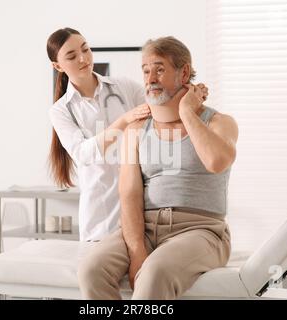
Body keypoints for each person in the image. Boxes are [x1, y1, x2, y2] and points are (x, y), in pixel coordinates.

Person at [78, 36, 239, 299]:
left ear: (183, 72)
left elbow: (216, 161)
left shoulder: (219, 122)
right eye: (145, 70)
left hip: (201, 231)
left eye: (160, 69)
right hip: (147, 227)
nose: (150, 78)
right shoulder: (137, 129)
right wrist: (137, 249)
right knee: (91, 270)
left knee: (154, 273)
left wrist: (187, 111)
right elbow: (129, 194)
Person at [47, 28, 208, 241]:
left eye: (86, 49)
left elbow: (163, 105)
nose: (83, 58)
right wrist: (124, 120)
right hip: (101, 217)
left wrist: (190, 92)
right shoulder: (61, 110)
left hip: (142, 208)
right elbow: (83, 154)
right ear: (57, 66)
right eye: (72, 56)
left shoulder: (123, 87)